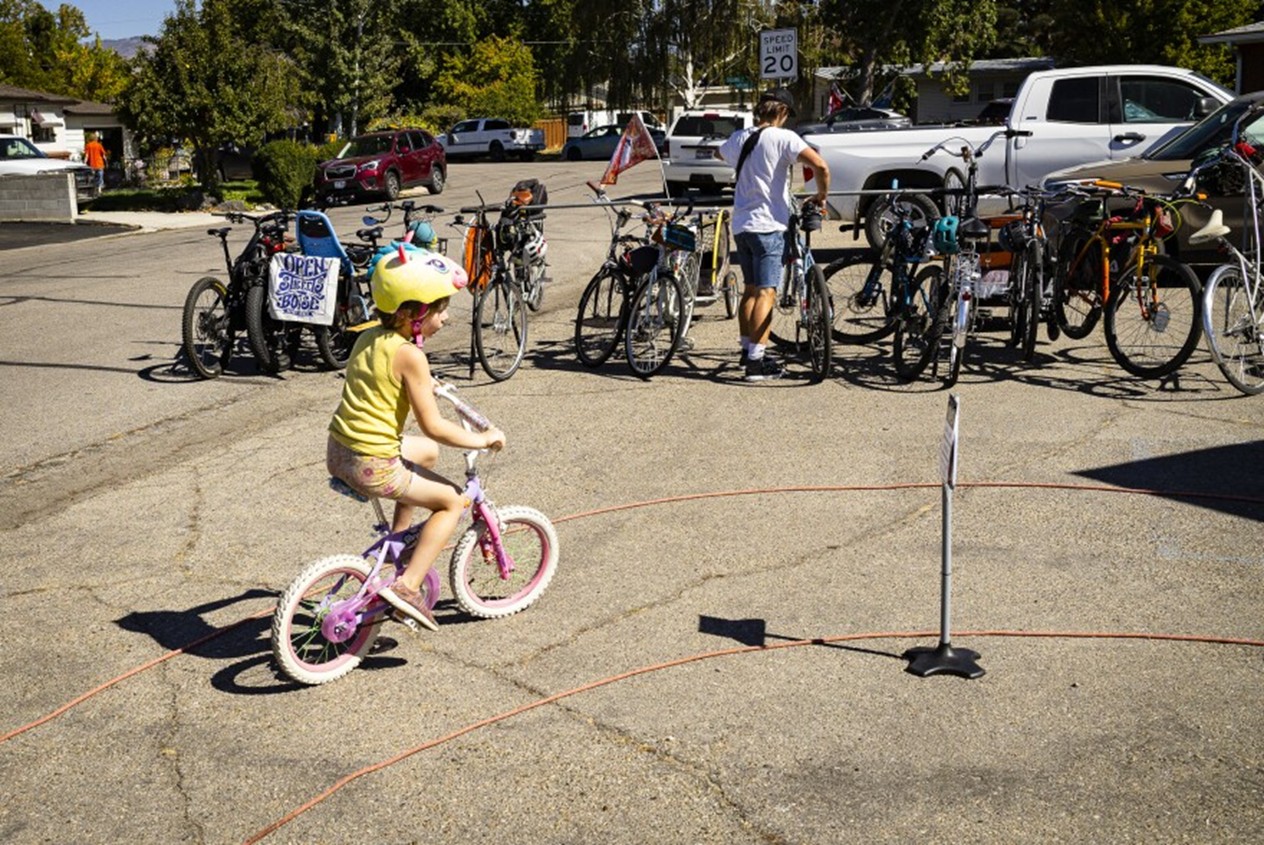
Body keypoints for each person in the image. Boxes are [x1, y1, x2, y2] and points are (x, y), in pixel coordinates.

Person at [326, 246, 506, 630]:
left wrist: (426, 385)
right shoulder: (411, 356)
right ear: (413, 313)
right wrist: (483, 438)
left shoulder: (368, 337)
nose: (444, 318)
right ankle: (407, 587)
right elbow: (435, 426)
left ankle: (398, 539)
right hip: (373, 464)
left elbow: (384, 383)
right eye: (439, 310)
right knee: (452, 502)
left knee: (425, 454)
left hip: (342, 450)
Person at [717, 88, 831, 381]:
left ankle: (747, 351)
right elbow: (819, 164)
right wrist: (821, 195)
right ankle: (756, 362)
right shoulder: (785, 138)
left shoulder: (740, 138)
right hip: (769, 226)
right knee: (767, 291)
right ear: (782, 112)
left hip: (742, 225)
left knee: (751, 289)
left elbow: (720, 153)